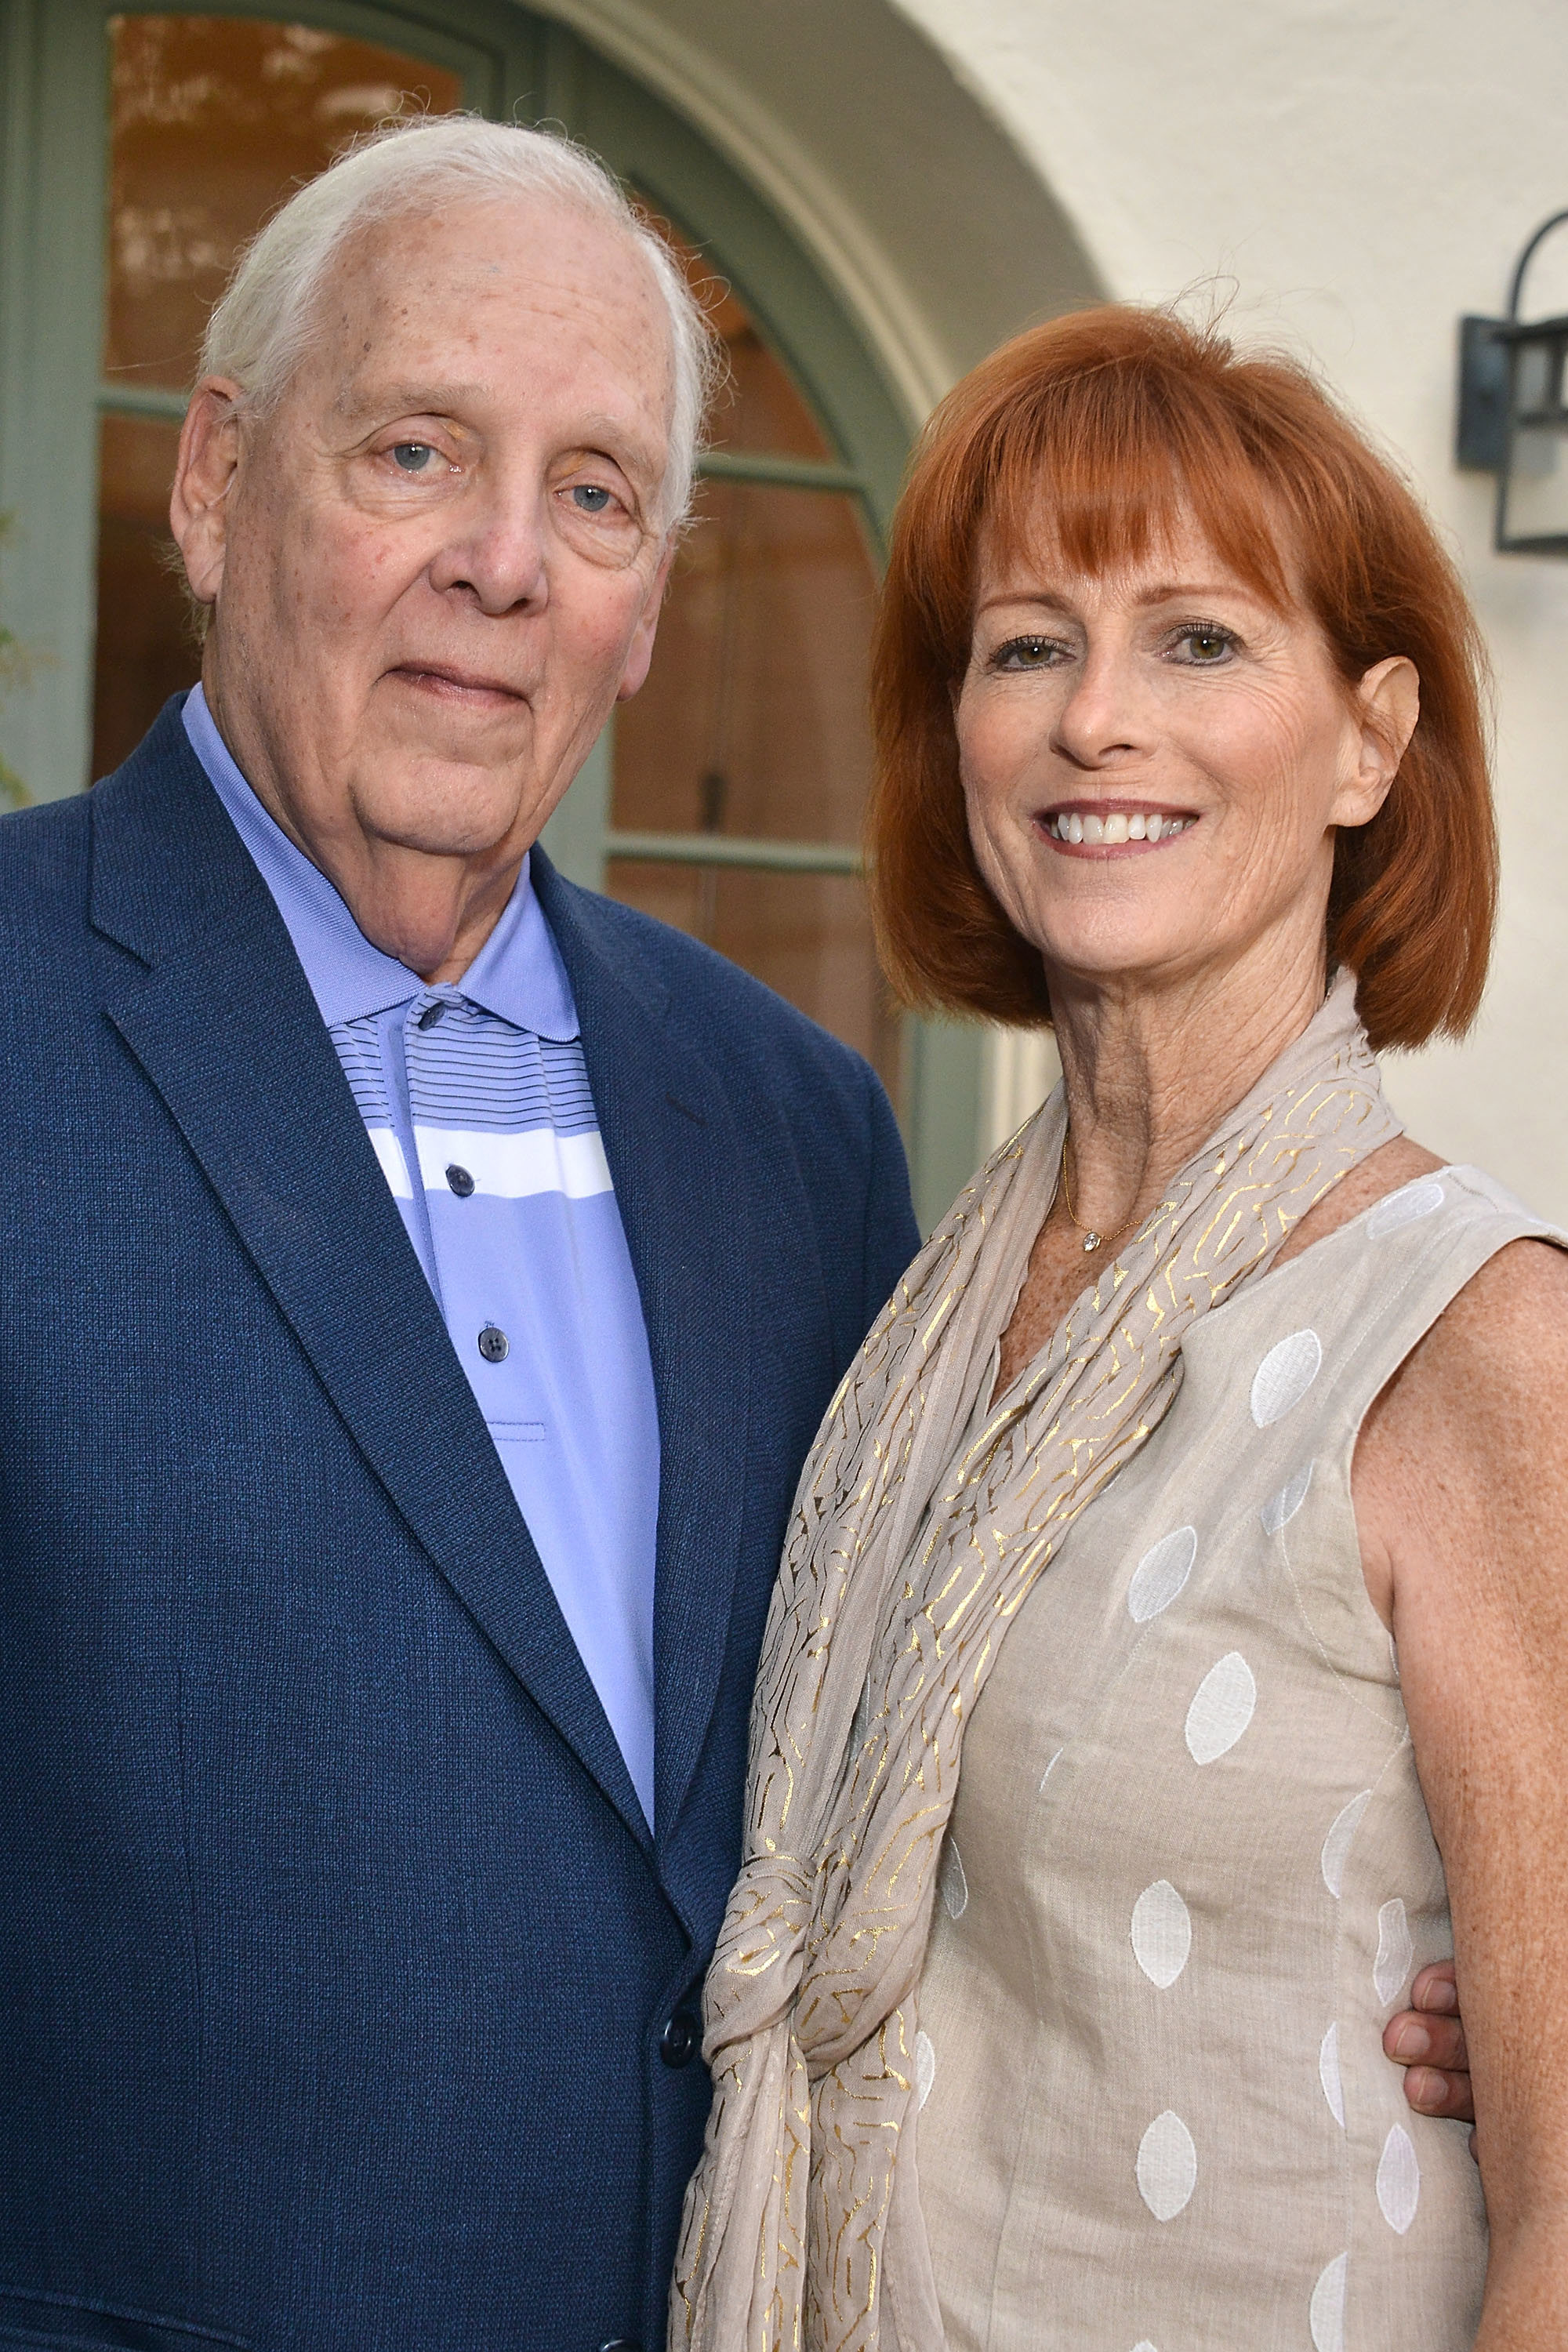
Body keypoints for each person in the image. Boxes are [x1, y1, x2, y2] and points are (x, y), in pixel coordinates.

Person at [0, 117, 920, 2352]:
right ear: (219, 481)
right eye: (417, 451)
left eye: (596, 492)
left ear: (645, 605)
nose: (506, 564)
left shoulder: (795, 1129)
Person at [674, 307, 1567, 2352]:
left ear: (1370, 739)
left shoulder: (1470, 1341)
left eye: (1198, 639)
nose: (1097, 719)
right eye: (1026, 646)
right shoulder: (921, 1320)